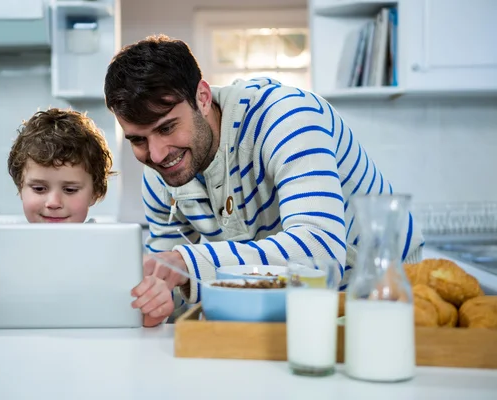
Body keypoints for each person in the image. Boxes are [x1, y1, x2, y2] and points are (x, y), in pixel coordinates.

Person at [103, 34, 425, 314]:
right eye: (138, 139)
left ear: (202, 98)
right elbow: (170, 282)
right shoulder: (161, 172)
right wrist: (159, 299)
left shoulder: (286, 116)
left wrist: (188, 261)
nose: (156, 154)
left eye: (167, 127)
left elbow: (320, 251)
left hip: (386, 294)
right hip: (283, 304)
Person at [0, 108, 173, 328]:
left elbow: (145, 316)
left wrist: (154, 310)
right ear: (20, 187)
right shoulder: (2, 249)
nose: (53, 202)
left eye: (70, 190)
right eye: (38, 189)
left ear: (96, 192)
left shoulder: (115, 250)